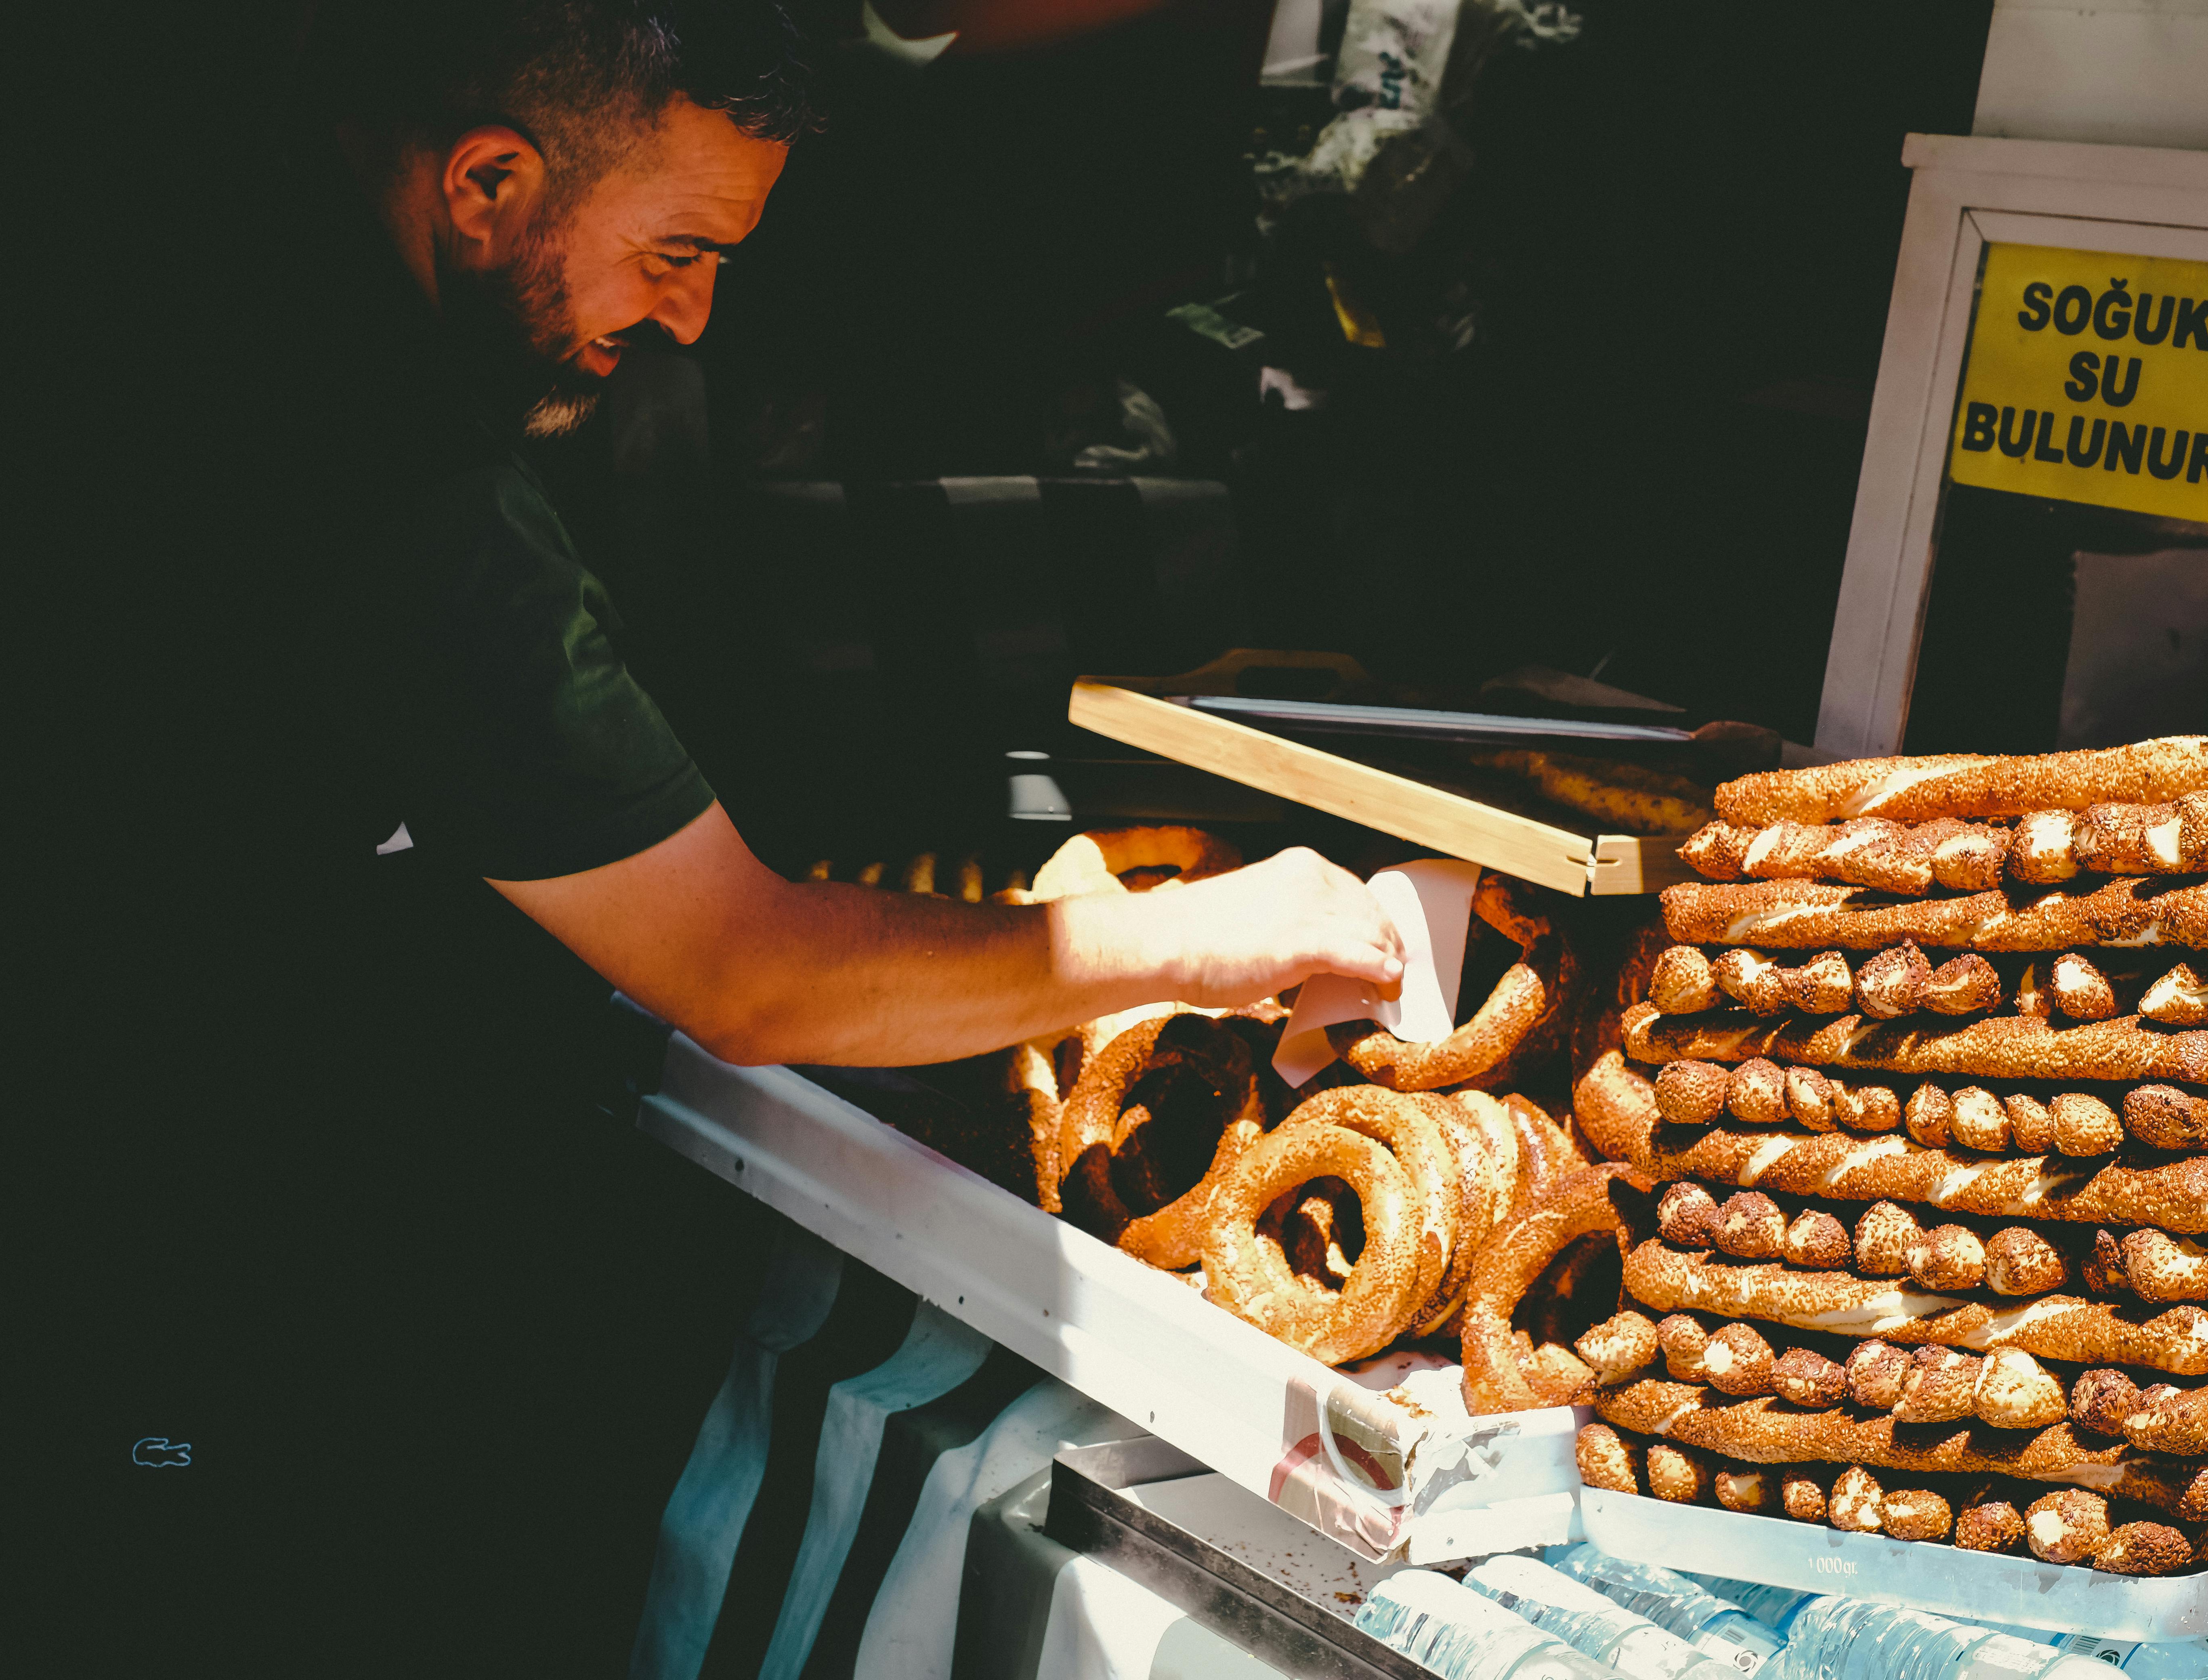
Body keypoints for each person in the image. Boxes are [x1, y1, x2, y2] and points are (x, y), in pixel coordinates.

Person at [35, 0, 1398, 1667]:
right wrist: (1215, 934)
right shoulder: (402, 489)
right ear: (486, 182)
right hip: (175, 1274)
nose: (687, 316)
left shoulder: (165, 211)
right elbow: (747, 969)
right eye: (677, 249)